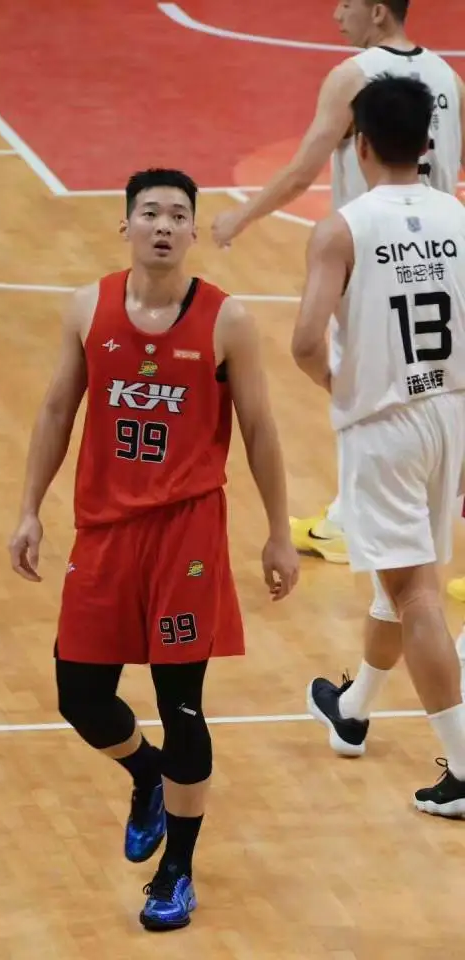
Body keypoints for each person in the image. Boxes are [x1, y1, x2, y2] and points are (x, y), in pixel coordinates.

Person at [9, 168, 299, 930]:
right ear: (126, 226)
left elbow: (261, 430)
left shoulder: (227, 320)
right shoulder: (89, 307)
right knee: (79, 696)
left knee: (182, 705)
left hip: (186, 534)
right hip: (105, 530)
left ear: (194, 231)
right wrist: (29, 510)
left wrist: (278, 531)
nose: (163, 225)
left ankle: (176, 871)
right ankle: (145, 773)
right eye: (149, 213)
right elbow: (55, 410)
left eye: (177, 215)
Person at [213, 0, 464, 565]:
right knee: (438, 393)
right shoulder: (449, 78)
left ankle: (361, 525)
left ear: (377, 12)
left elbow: (304, 170)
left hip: (375, 252)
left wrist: (242, 217)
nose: (335, 15)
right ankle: (354, 515)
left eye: (346, 4)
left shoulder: (353, 76)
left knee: (366, 395)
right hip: (443, 250)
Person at [291, 74, 465, 816]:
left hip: (385, 423)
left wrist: (345, 389)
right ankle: (354, 709)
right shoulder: (458, 215)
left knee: (414, 589)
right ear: (428, 143)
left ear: (357, 144)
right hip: (451, 413)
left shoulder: (342, 228)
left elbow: (305, 344)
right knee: (403, 577)